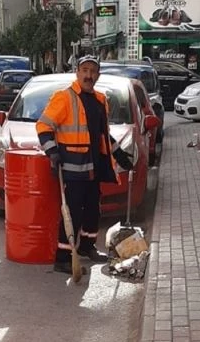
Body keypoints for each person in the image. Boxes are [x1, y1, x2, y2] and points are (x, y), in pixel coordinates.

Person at [36, 54, 134, 274]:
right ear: (77, 73)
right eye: (85, 70)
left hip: (93, 168)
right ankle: (62, 258)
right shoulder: (64, 97)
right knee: (72, 214)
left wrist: (120, 156)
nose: (89, 75)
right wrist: (52, 151)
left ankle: (87, 247)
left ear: (98, 74)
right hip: (72, 168)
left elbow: (102, 136)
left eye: (93, 71)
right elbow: (43, 126)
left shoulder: (100, 100)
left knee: (92, 212)